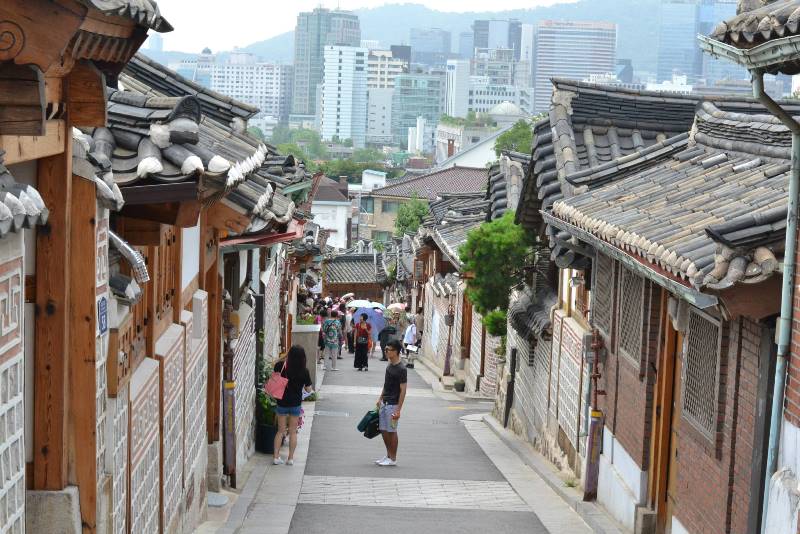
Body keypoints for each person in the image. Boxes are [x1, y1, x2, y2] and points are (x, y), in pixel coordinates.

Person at [272, 346, 313, 466]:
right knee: (293, 431)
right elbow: (308, 388)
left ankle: (276, 457)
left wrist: (284, 357)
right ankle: (290, 459)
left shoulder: (280, 366)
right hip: (295, 404)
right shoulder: (304, 371)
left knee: (280, 431)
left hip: (282, 402)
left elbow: (274, 376)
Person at [375, 339, 407, 466]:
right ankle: (388, 455)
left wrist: (398, 409)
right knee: (383, 430)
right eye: (385, 349)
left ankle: (393, 458)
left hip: (393, 404)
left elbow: (403, 390)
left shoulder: (401, 369)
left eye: (388, 350)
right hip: (385, 402)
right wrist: (380, 398)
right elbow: (386, 385)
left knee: (392, 431)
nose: (386, 351)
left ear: (396, 351)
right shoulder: (389, 366)